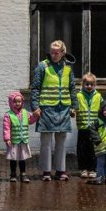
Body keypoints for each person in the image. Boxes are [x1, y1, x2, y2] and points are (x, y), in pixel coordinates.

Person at [31, 40, 78, 181]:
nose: (54, 55)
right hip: (46, 109)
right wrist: (35, 107)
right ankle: (46, 172)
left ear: (63, 52)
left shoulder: (68, 68)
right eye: (52, 52)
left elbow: (72, 88)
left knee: (61, 141)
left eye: (57, 52)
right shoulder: (42, 66)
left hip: (63, 108)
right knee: (46, 142)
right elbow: (35, 88)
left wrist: (74, 106)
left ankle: (60, 171)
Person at [3, 91, 38, 183]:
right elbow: (6, 128)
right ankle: (13, 174)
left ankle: (23, 174)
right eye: (15, 102)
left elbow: (30, 121)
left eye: (19, 101)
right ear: (11, 102)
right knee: (13, 159)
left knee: (22, 159)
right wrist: (7, 139)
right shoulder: (8, 115)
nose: (18, 103)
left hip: (23, 140)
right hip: (14, 141)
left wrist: (36, 116)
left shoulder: (25, 112)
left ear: (22, 102)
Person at [76, 72, 103, 179]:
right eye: (87, 84)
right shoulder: (78, 95)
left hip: (94, 128)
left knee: (93, 150)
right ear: (83, 84)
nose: (89, 86)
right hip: (82, 127)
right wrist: (72, 112)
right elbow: (73, 107)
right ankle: (83, 169)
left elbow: (102, 109)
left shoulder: (98, 96)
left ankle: (92, 169)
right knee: (82, 149)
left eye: (91, 84)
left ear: (94, 85)